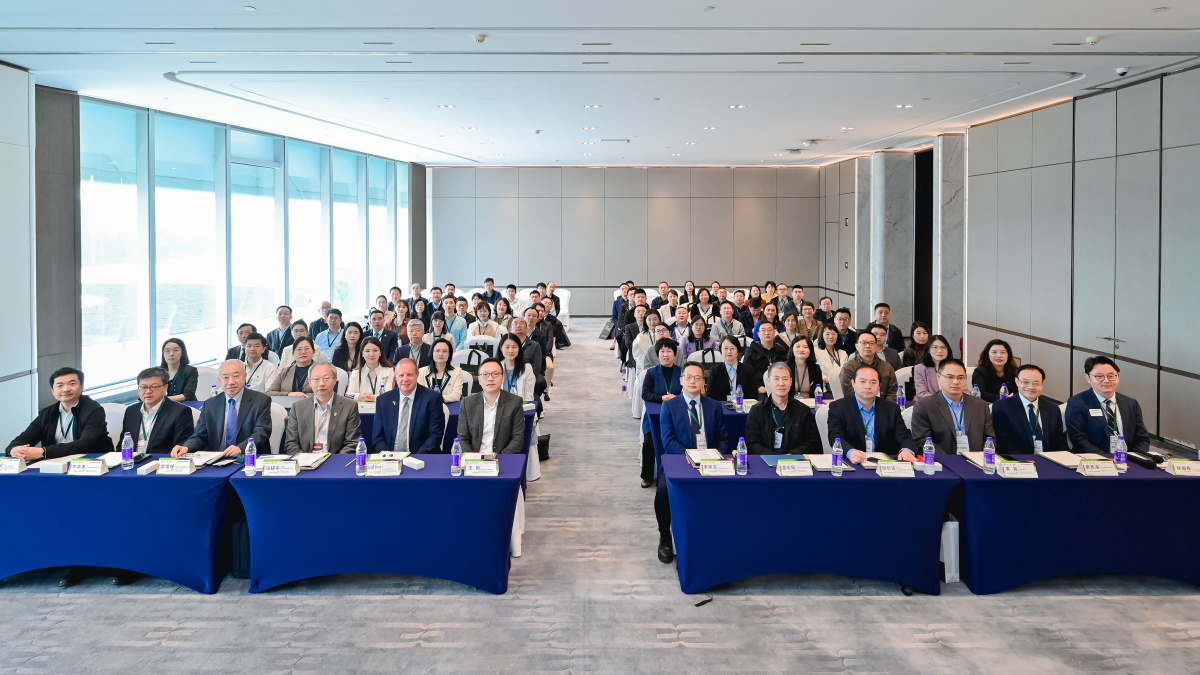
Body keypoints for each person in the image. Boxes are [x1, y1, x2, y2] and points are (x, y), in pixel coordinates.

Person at [655, 362, 730, 563]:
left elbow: (723, 439)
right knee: (662, 492)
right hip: (680, 461)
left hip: (711, 461)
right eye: (688, 377)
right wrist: (692, 457)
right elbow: (668, 441)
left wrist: (713, 456)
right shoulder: (669, 406)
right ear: (681, 381)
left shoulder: (714, 406)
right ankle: (665, 537)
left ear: (704, 382)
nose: (693, 381)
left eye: (697, 377)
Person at [7, 366, 113, 460]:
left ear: (82, 386)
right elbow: (24, 438)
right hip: (55, 462)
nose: (66, 389)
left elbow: (85, 443)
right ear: (53, 390)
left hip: (90, 461)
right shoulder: (47, 413)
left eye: (72, 384)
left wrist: (43, 452)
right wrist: (14, 450)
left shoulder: (94, 410)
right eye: (59, 385)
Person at [172, 359, 273, 457]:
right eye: (225, 377)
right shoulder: (210, 404)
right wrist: (186, 447)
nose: (231, 382)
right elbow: (200, 435)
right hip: (217, 459)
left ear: (244, 377)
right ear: (220, 380)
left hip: (248, 457)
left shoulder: (261, 401)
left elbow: (262, 432)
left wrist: (241, 448)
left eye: (236, 376)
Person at [828, 363, 917, 463]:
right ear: (853, 383)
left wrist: (906, 450)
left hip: (883, 464)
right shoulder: (838, 407)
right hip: (853, 462)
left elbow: (904, 436)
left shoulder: (891, 408)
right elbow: (835, 437)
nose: (868, 386)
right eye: (862, 381)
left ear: (879, 386)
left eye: (873, 382)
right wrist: (850, 452)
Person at [1064, 355, 1151, 456]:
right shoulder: (1077, 403)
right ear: (1088, 378)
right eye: (1099, 376)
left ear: (1118, 377)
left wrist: (1135, 458)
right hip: (1095, 460)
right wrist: (1108, 460)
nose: (1106, 380)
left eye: (1111, 376)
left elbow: (1142, 438)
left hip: (1127, 460)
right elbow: (1079, 440)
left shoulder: (1131, 403)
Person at [910, 357, 995, 454]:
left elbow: (990, 439)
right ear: (938, 377)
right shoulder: (924, 406)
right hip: (942, 461)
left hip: (976, 460)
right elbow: (922, 441)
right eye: (950, 377)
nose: (956, 382)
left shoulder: (981, 405)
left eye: (960, 377)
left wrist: (981, 458)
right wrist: (950, 460)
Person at [370, 358, 447, 453]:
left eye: (409, 375)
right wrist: (389, 457)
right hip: (390, 457)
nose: (405, 379)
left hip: (421, 456)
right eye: (401, 375)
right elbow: (378, 438)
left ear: (417, 374)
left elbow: (435, 436)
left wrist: (417, 458)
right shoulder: (383, 400)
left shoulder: (432, 399)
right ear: (396, 376)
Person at [284, 362, 361, 455]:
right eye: (316, 379)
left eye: (326, 378)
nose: (321, 384)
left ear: (335, 380)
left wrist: (334, 460)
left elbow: (352, 443)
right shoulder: (298, 407)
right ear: (310, 382)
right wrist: (304, 459)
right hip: (306, 460)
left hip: (335, 459)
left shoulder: (349, 406)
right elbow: (291, 443)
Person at [744, 362, 822, 455]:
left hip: (794, 459)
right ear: (768, 381)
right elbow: (752, 442)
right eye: (776, 379)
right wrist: (772, 457)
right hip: (766, 459)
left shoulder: (803, 410)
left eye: (785, 379)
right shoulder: (757, 410)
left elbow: (811, 441)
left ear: (791, 381)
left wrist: (792, 454)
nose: (781, 383)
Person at [991, 364, 1067, 454]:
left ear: (1042, 384)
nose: (1031, 387)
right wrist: (1028, 461)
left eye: (1036, 383)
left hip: (1049, 459)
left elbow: (1060, 443)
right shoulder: (1002, 407)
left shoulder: (1053, 409)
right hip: (1018, 459)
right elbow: (1004, 444)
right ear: (1017, 381)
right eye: (1025, 382)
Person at [458, 357, 526, 455]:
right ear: (479, 379)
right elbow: (462, 438)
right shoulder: (467, 403)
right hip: (474, 459)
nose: (490, 378)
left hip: (502, 458)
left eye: (495, 374)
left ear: (503, 378)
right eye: (485, 374)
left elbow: (517, 438)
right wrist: (472, 458)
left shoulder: (515, 402)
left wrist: (499, 459)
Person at [120, 367, 195, 453]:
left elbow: (180, 448)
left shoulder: (180, 412)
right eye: (143, 387)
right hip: (132, 459)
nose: (148, 391)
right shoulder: (131, 410)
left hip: (160, 459)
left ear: (165, 388)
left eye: (154, 387)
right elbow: (123, 444)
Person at [840, 332, 898, 402]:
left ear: (876, 346)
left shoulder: (887, 367)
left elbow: (892, 392)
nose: (867, 346)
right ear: (857, 346)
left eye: (871, 343)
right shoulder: (849, 367)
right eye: (863, 343)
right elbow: (849, 393)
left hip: (883, 406)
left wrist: (884, 406)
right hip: (857, 406)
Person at [744, 320, 789, 397]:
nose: (767, 333)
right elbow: (746, 372)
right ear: (758, 334)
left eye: (769, 330)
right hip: (758, 389)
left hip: (779, 388)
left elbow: (787, 372)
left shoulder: (782, 351)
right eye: (763, 330)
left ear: (774, 333)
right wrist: (757, 386)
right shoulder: (751, 351)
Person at [706, 335, 756, 402]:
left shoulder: (748, 370)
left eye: (732, 348)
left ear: (738, 350)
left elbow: (754, 394)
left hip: (743, 406)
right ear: (721, 350)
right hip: (721, 406)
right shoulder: (714, 371)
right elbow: (710, 395)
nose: (729, 351)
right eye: (725, 348)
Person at [346, 336, 394, 401]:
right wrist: (359, 396)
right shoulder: (355, 372)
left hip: (382, 406)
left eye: (375, 350)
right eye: (367, 351)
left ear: (380, 353)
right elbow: (348, 394)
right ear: (362, 354)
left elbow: (389, 394)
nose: (371, 354)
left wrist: (374, 398)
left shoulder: (389, 371)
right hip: (361, 407)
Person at [419, 338, 466, 402]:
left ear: (449, 354)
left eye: (444, 351)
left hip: (448, 406)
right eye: (437, 351)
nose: (441, 354)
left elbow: (456, 395)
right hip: (426, 406)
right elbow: (419, 394)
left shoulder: (457, 372)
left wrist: (438, 399)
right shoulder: (421, 372)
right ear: (432, 353)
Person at [972, 338, 1018, 403]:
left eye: (1003, 352)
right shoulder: (979, 372)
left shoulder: (1016, 371)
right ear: (987, 354)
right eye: (994, 352)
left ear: (1008, 355)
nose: (999, 356)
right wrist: (1004, 398)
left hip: (1013, 404)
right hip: (988, 405)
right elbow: (980, 393)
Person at [498, 332, 537, 402]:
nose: (511, 350)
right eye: (507, 347)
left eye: (514, 347)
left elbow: (528, 395)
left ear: (519, 348)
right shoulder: (495, 367)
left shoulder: (527, 368)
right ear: (501, 348)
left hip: (520, 406)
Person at [159, 337, 200, 402]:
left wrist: (163, 400)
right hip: (163, 405)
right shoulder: (157, 372)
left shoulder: (190, 371)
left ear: (182, 353)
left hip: (185, 404)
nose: (171, 354)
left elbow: (188, 395)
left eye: (175, 350)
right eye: (167, 351)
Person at [913, 334, 954, 400]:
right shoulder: (920, 369)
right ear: (928, 350)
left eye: (943, 347)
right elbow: (921, 394)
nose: (939, 351)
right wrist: (944, 400)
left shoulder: (956, 368)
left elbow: (965, 392)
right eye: (935, 347)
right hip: (930, 405)